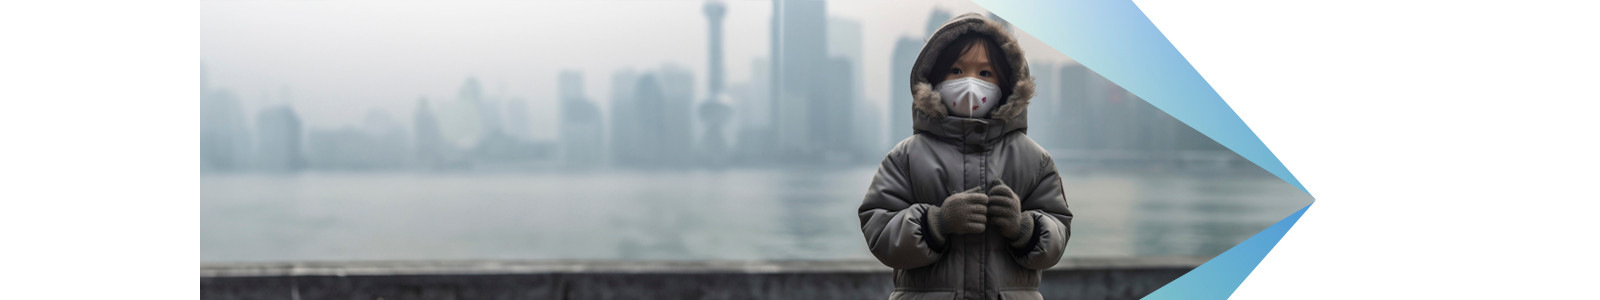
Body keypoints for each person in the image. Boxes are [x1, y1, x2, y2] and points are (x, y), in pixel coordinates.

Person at [858, 13, 1072, 300]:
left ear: (1007, 85)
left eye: (985, 73)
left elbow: (1058, 234)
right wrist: (937, 223)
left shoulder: (1035, 160)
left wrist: (1024, 227)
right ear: (934, 79)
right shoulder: (905, 157)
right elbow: (878, 230)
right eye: (956, 71)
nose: (970, 84)